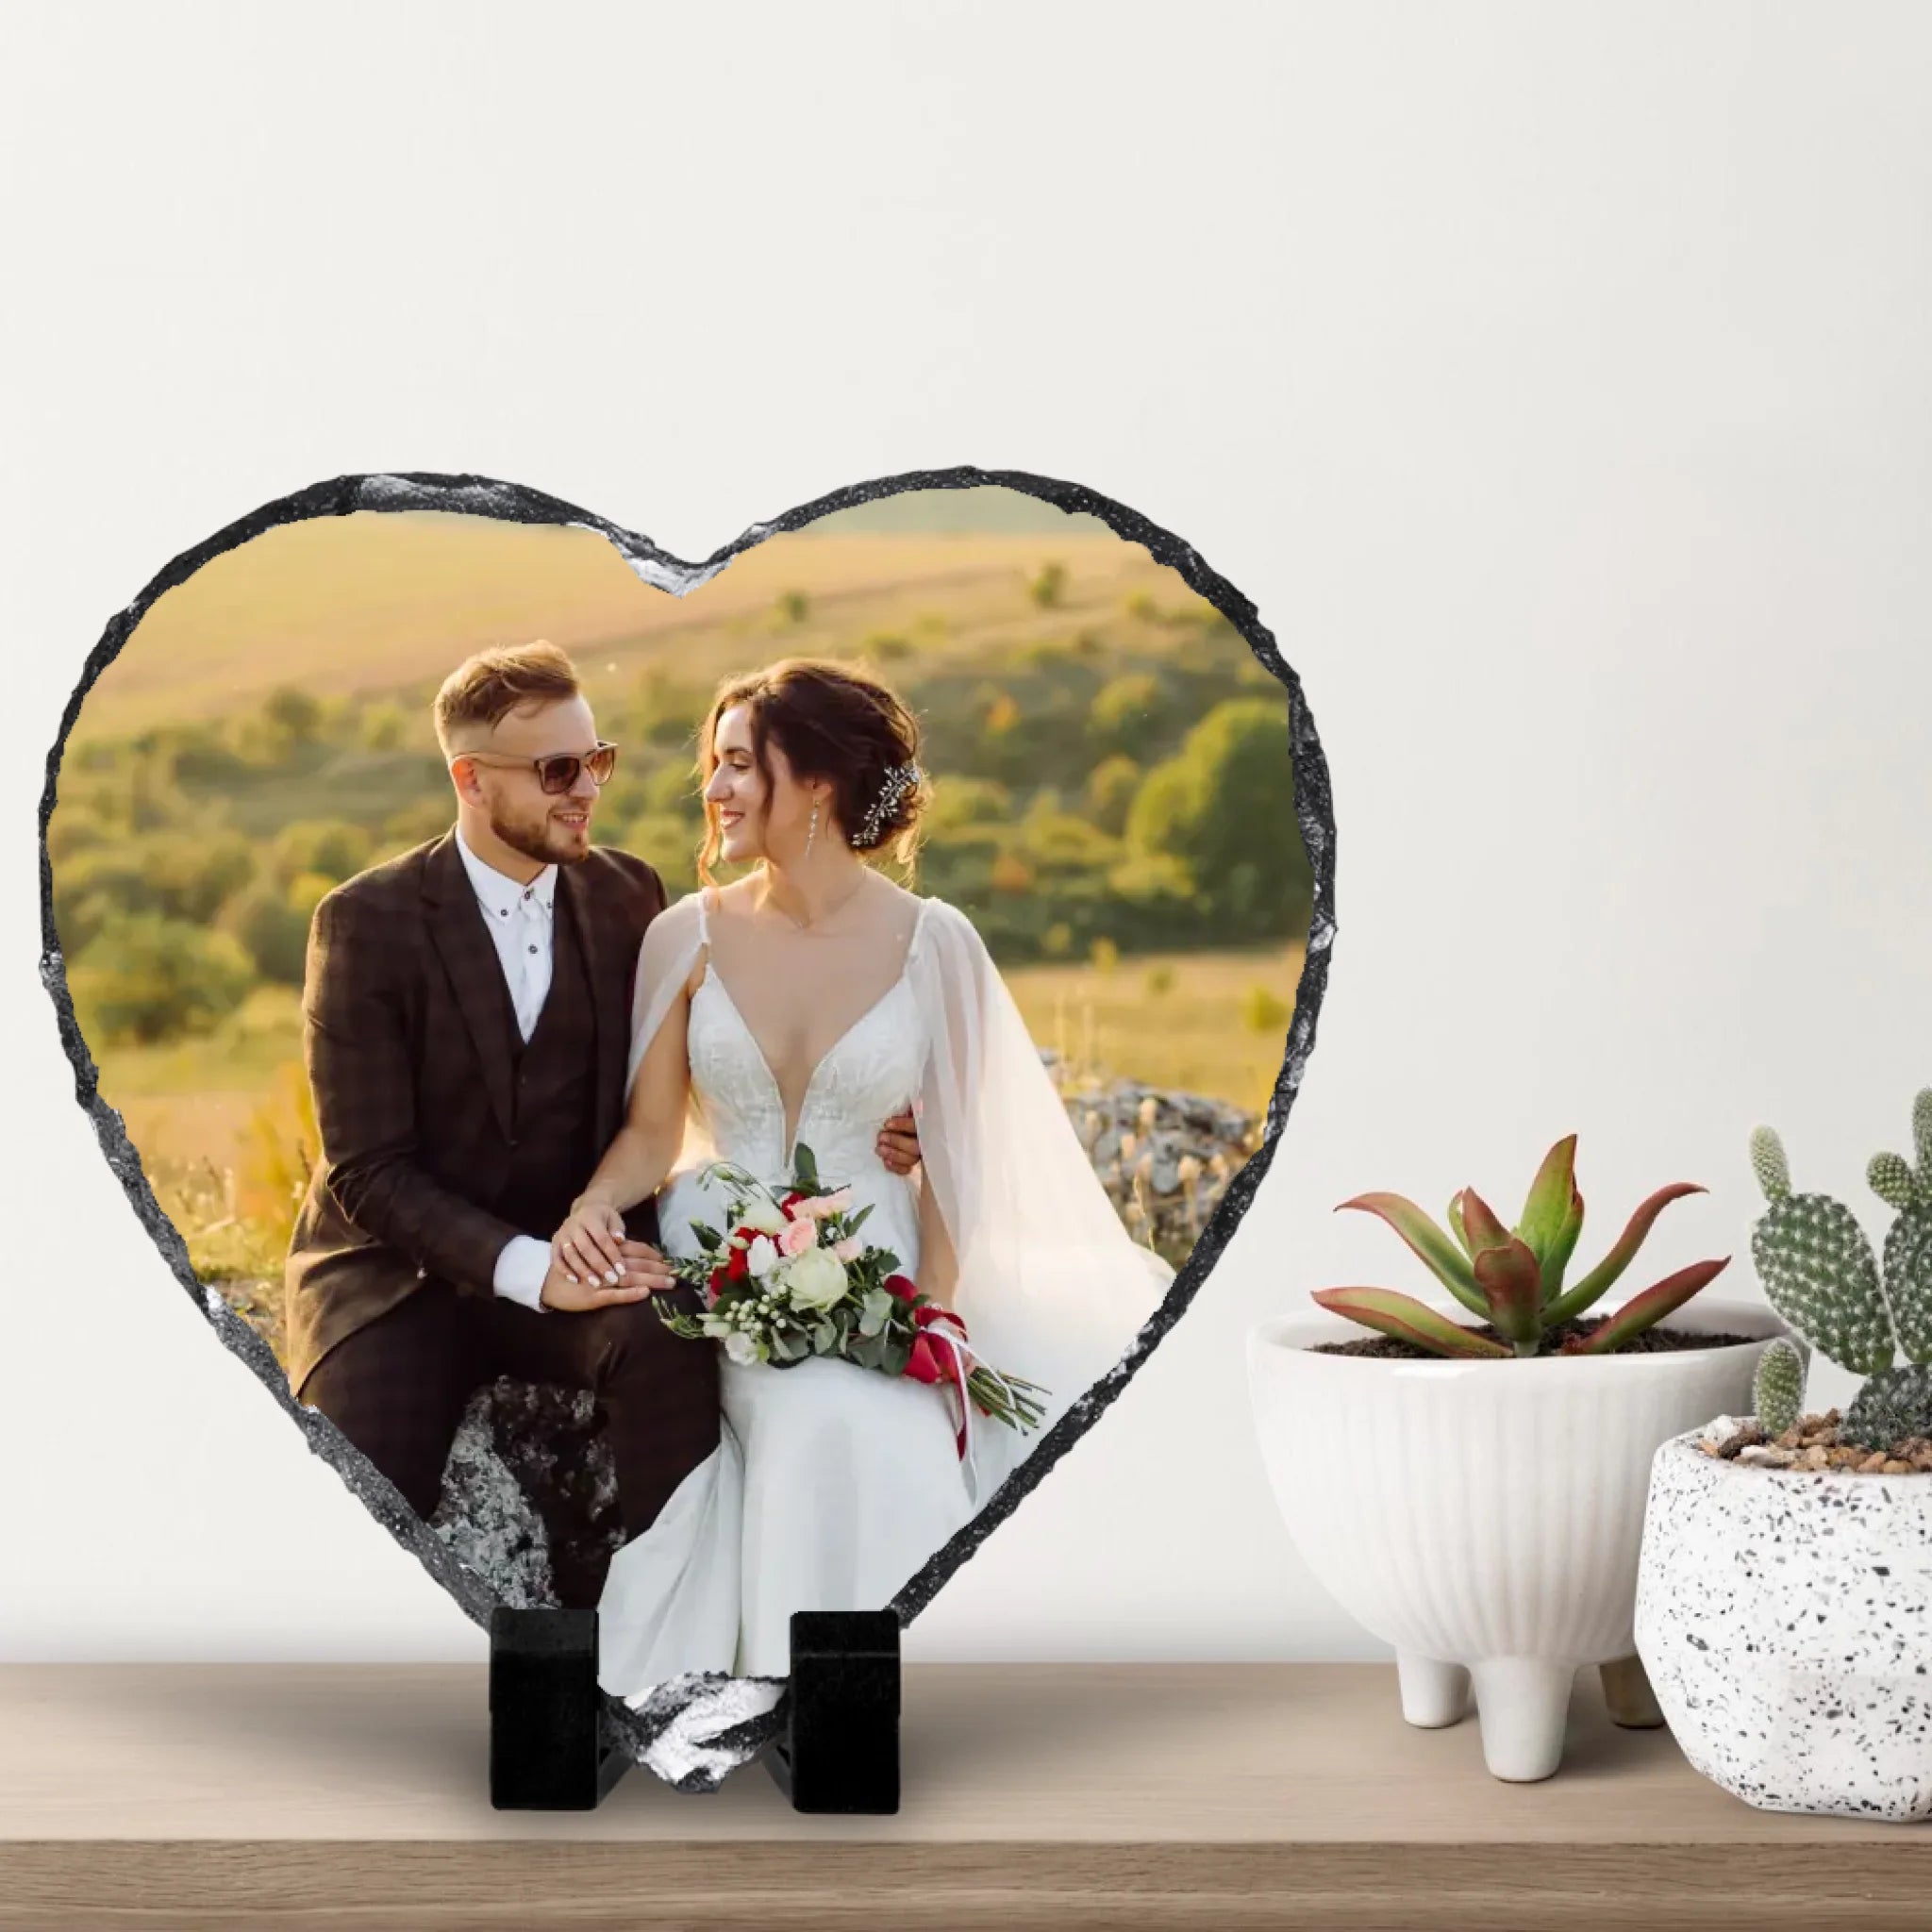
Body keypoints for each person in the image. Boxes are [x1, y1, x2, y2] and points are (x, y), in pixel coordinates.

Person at [560, 658, 1174, 1693]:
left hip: (877, 1257)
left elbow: (959, 1171)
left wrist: (933, 1314)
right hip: (724, 1252)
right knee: (814, 1423)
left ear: (818, 783)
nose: (712, 788)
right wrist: (590, 1204)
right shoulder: (686, 935)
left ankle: (876, 1702)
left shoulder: (938, 945)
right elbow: (651, 1131)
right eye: (714, 763)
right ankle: (794, 1707)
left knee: (898, 1429)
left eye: (740, 763)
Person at [283, 641, 924, 1602]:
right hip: (400, 1284)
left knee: (668, 1342)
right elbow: (367, 1172)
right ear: (470, 779)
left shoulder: (631, 894)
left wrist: (885, 1106)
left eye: (598, 760)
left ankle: (670, 1629)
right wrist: (534, 1269)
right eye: (555, 770)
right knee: (361, 1499)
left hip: (586, 1246)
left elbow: (694, 1068)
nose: (586, 788)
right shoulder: (366, 921)